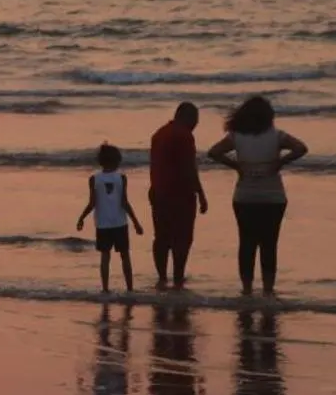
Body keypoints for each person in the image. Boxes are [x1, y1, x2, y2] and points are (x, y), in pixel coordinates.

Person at [207, 96, 308, 296]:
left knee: (247, 244)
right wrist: (280, 162)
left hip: (245, 196)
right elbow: (301, 148)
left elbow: (214, 152)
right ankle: (268, 290)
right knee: (269, 245)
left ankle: (247, 289)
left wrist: (236, 166)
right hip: (273, 197)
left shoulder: (237, 136)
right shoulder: (277, 136)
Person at [148, 102, 209, 288]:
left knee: (162, 237)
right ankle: (178, 276)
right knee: (182, 238)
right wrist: (201, 193)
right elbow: (189, 167)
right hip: (180, 193)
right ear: (187, 117)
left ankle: (162, 277)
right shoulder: (184, 136)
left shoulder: (159, 134)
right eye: (195, 120)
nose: (196, 124)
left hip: (159, 191)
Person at [76, 142, 145, 292]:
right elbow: (124, 203)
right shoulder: (121, 178)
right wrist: (136, 222)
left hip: (103, 224)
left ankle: (105, 289)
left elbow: (92, 203)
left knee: (105, 256)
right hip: (120, 223)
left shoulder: (94, 179)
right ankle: (130, 288)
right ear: (117, 160)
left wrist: (81, 217)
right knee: (125, 256)